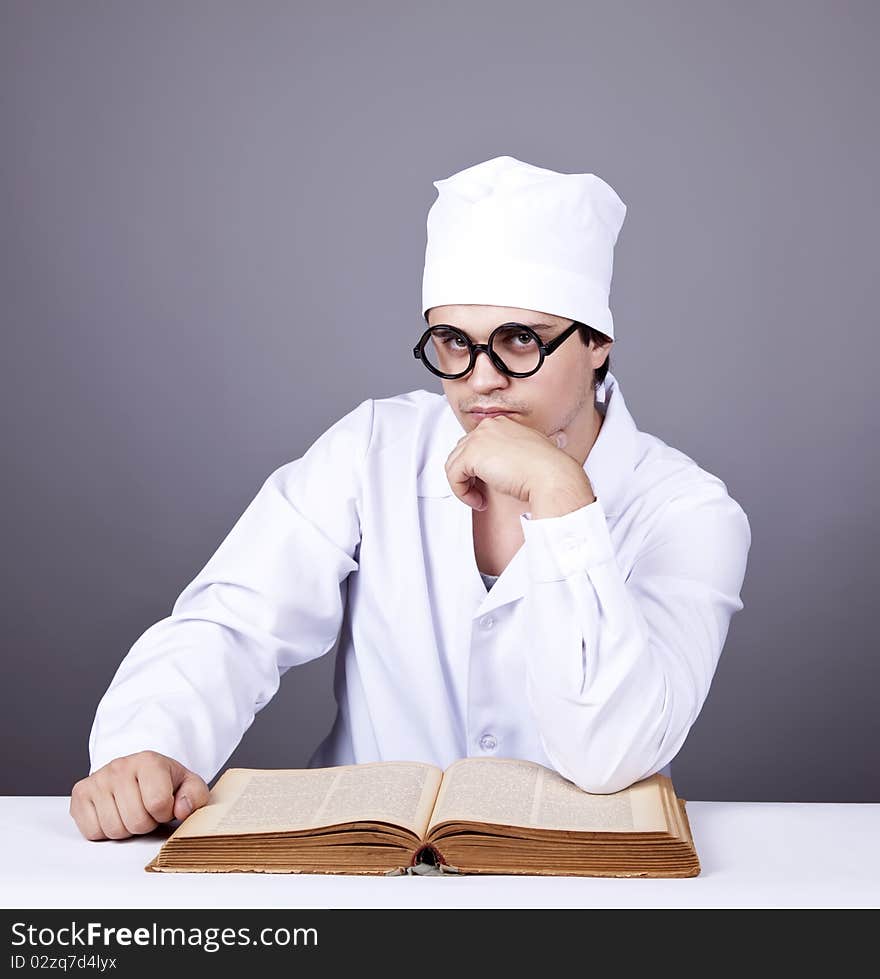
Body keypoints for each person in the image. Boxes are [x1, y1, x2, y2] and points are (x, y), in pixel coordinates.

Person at [70, 155, 751, 841]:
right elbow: (234, 623)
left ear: (598, 342)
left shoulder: (689, 513)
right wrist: (147, 745)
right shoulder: (375, 448)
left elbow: (612, 753)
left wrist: (562, 497)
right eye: (453, 341)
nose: (481, 380)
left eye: (520, 340)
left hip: (570, 892)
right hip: (357, 869)